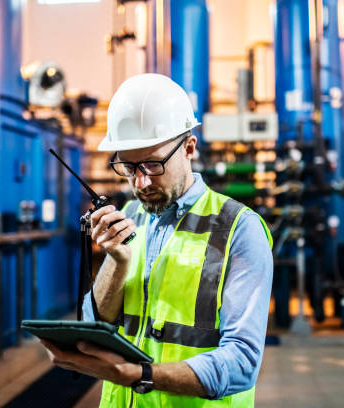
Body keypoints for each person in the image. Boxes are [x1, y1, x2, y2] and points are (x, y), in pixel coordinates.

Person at [40, 73, 273, 407]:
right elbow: (95, 325)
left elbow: (242, 363)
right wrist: (118, 262)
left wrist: (140, 374)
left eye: (153, 163)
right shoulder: (132, 216)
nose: (141, 180)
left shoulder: (239, 229)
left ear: (189, 148)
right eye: (129, 166)